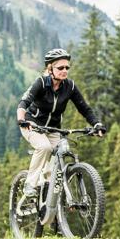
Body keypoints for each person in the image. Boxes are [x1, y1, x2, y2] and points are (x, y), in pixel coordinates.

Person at [16, 48, 105, 199]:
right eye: (60, 67)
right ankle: (30, 184)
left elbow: (84, 108)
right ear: (50, 68)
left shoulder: (69, 86)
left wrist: (96, 124)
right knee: (44, 147)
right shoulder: (41, 83)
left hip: (53, 129)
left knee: (62, 151)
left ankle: (48, 191)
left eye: (67, 68)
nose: (65, 70)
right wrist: (21, 120)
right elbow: (23, 103)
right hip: (33, 125)